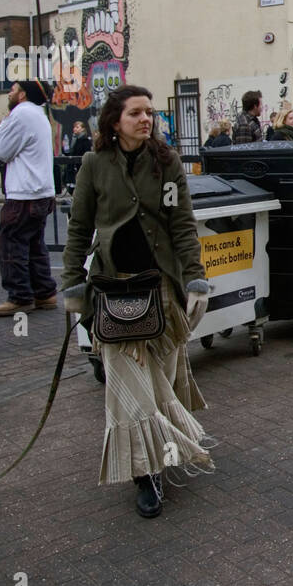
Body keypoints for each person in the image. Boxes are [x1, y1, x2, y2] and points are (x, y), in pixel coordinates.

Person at [60, 85, 214, 519]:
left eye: (150, 113)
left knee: (163, 380)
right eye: (135, 113)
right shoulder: (93, 164)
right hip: (111, 293)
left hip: (162, 291)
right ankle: (146, 475)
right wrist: (72, 284)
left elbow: (182, 225)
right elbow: (78, 227)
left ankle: (163, 456)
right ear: (114, 121)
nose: (146, 119)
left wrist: (196, 279)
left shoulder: (167, 163)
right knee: (129, 388)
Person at [0, 79, 58, 316]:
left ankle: (20, 297)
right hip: (41, 190)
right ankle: (44, 292)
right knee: (34, 245)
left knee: (11, 244)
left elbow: (2, 151)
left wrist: (1, 126)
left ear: (22, 95)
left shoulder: (21, 114)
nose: (10, 92)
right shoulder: (39, 115)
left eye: (13, 89)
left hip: (24, 192)